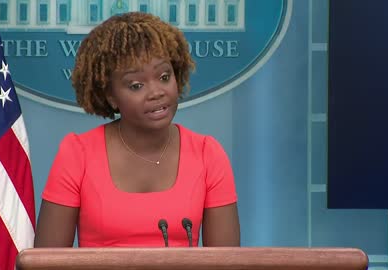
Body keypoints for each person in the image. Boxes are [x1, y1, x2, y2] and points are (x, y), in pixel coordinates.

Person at [34, 12, 240, 248]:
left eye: (164, 77)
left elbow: (226, 261)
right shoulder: (77, 154)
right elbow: (47, 260)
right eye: (136, 85)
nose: (156, 92)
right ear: (111, 96)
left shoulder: (207, 154)